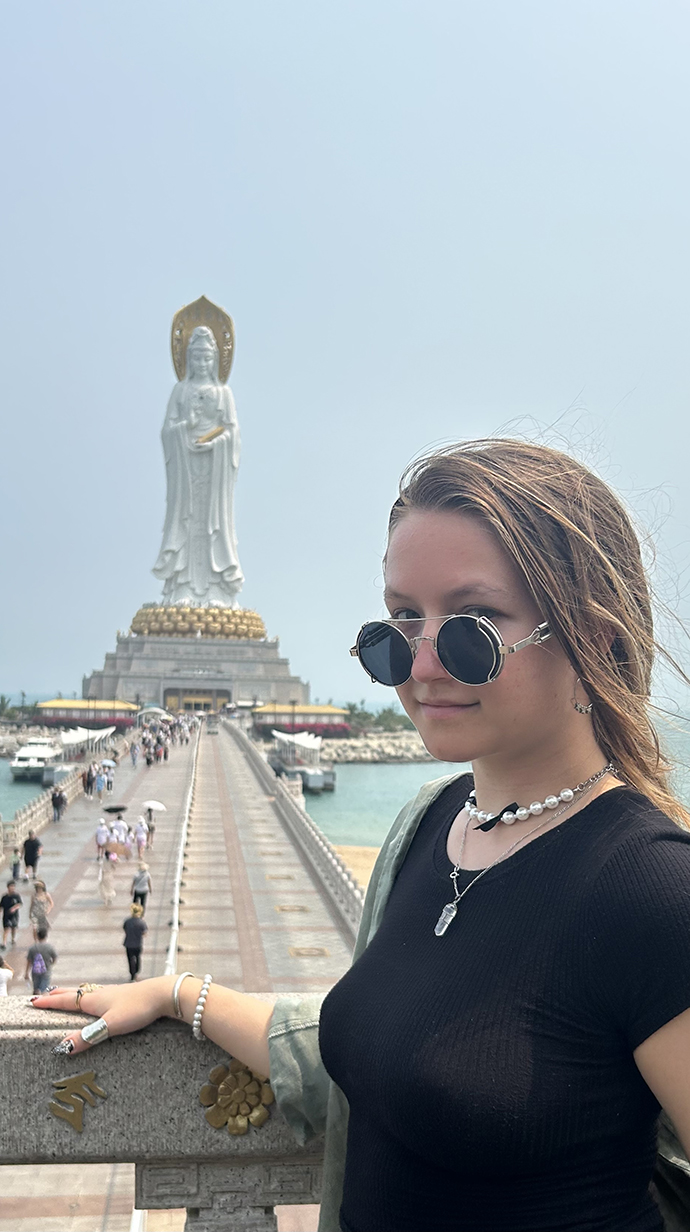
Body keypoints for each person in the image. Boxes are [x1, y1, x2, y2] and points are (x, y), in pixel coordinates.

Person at [32, 438, 690, 1232]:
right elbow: (397, 1049)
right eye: (401, 621)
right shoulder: (433, 824)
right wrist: (180, 994)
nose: (420, 665)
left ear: (596, 636)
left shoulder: (651, 892)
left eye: (472, 626)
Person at [25, 927, 57, 994]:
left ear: (37, 936)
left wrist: (26, 972)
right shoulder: (49, 947)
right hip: (46, 970)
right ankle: (41, 997)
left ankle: (36, 996)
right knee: (44, 988)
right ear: (46, 936)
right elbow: (55, 957)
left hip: (35, 970)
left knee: (36, 987)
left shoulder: (32, 948)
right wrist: (51, 963)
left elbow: (29, 961)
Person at [122, 903, 147, 981]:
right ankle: (136, 971)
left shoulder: (127, 921)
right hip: (138, 944)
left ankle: (132, 973)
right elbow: (144, 933)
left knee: (130, 959)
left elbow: (125, 929)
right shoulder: (141, 922)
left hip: (128, 943)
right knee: (138, 958)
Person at [0, 881, 22, 949]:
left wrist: (14, 908)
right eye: (11, 886)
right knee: (6, 928)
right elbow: (1, 906)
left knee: (13, 927)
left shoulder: (16, 896)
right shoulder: (4, 897)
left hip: (14, 915)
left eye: (13, 886)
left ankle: (13, 938)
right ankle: (4, 943)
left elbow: (20, 904)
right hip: (6, 915)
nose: (12, 888)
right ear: (8, 887)